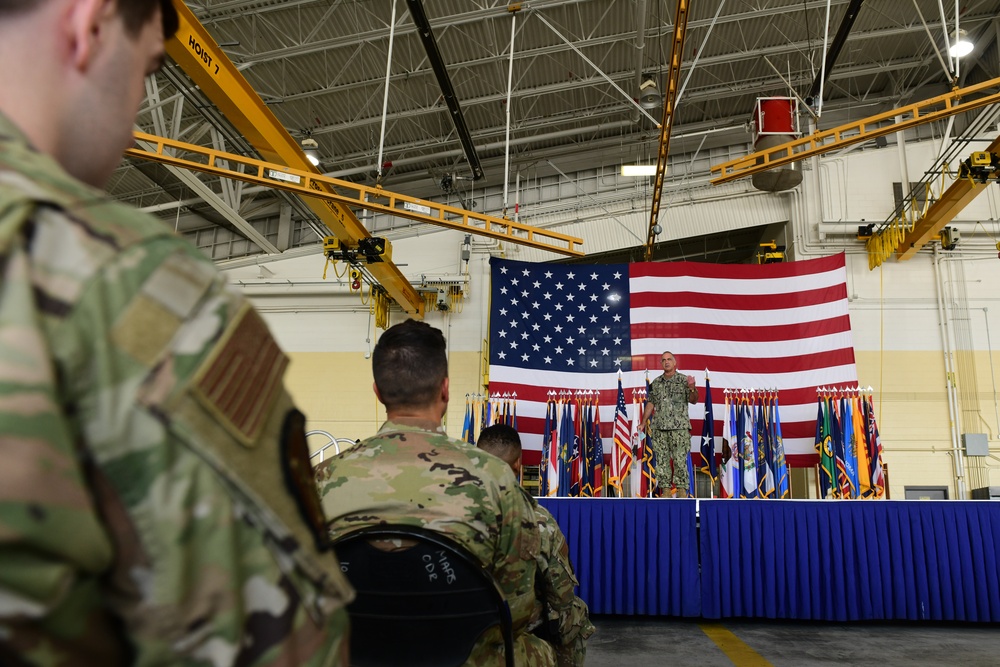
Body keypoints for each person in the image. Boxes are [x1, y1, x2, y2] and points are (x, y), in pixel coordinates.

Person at [0, 1, 352, 664]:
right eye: (148, 70)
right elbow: (281, 644)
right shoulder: (124, 284)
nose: (135, 114)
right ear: (91, 23)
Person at [315, 319, 556, 665]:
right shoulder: (495, 478)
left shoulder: (321, 479)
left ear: (378, 392)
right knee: (539, 653)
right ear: (445, 390)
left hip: (351, 655)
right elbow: (516, 609)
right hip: (461, 657)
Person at [476, 423, 595, 667]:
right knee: (574, 612)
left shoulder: (450, 514)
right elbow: (561, 597)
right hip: (513, 634)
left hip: (457, 628)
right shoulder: (538, 520)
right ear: (518, 464)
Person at [641, 351, 698, 497]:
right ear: (661, 364)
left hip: (679, 429)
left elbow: (693, 399)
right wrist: (643, 422)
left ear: (674, 362)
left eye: (669, 359)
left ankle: (681, 490)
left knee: (679, 460)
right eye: (663, 360)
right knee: (662, 461)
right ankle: (665, 489)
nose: (666, 362)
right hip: (660, 428)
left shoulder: (684, 380)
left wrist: (692, 388)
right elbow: (651, 403)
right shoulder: (656, 383)